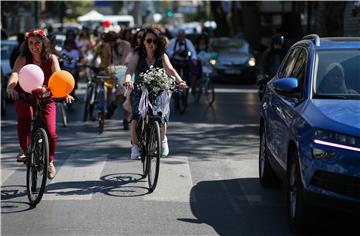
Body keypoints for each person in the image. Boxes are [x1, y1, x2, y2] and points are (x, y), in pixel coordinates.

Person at [6, 29, 74, 179]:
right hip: (25, 96)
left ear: (44, 44)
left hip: (46, 97)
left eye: (37, 43)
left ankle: (49, 161)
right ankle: (24, 149)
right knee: (25, 116)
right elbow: (15, 74)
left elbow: (58, 76)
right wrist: (11, 87)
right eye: (30, 43)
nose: (33, 46)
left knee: (50, 132)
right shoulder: (23, 58)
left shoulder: (51, 59)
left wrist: (64, 93)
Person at [123, 27, 187, 159]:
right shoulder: (137, 54)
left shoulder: (162, 56)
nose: (152, 44)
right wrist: (128, 80)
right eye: (149, 41)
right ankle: (135, 146)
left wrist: (181, 82)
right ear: (144, 42)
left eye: (155, 41)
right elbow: (129, 70)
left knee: (161, 115)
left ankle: (163, 139)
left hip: (157, 91)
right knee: (136, 117)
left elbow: (170, 70)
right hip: (139, 92)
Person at [256, 33, 287, 100]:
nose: (277, 47)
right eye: (276, 44)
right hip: (269, 79)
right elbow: (263, 65)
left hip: (282, 79)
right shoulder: (267, 54)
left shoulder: (286, 54)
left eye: (279, 45)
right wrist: (262, 75)